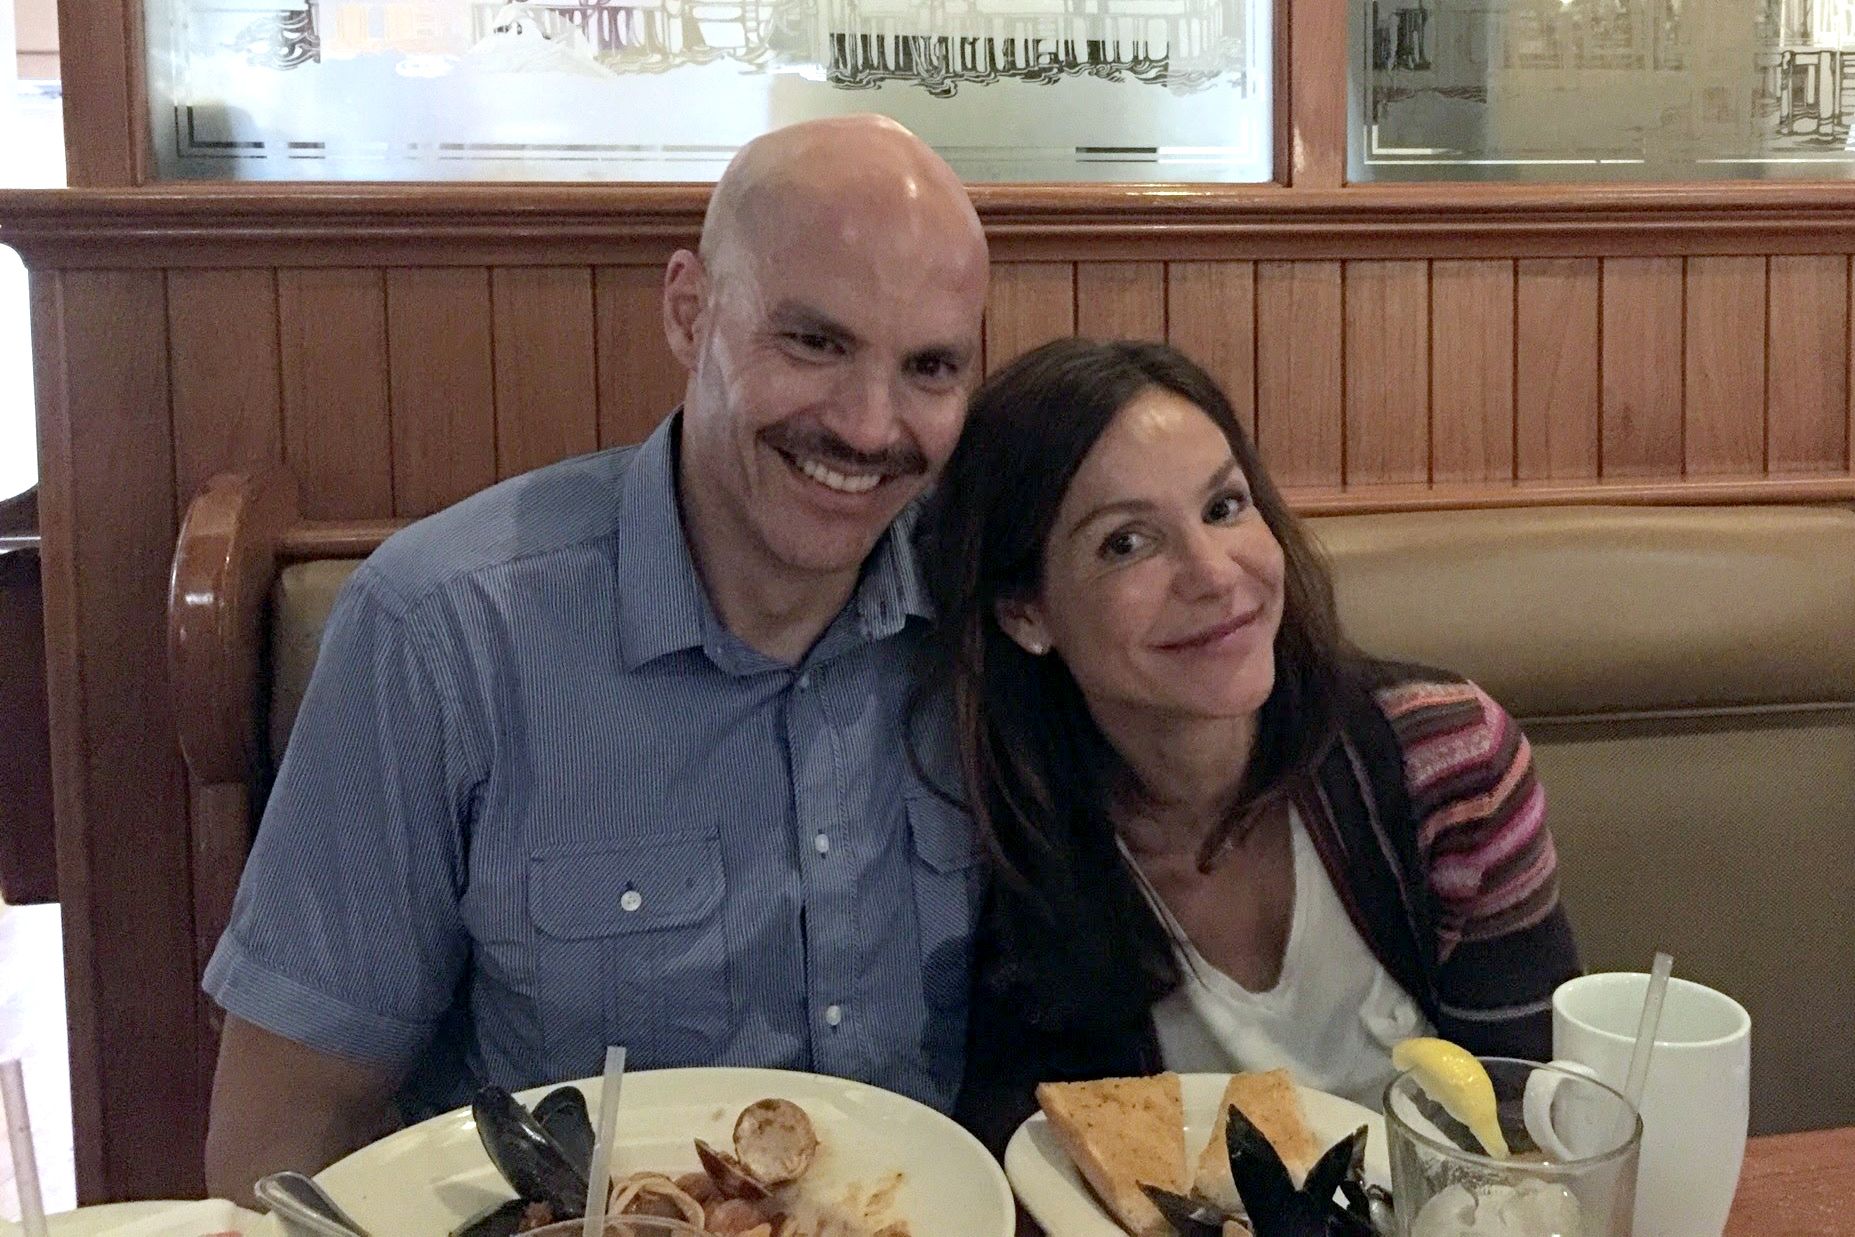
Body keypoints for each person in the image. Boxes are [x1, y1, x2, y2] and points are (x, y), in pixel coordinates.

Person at [201, 114, 991, 1199]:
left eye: (930, 367)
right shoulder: (441, 633)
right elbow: (282, 1134)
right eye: (812, 341)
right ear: (688, 311)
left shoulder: (997, 612)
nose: (867, 424)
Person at [915, 338, 1581, 1152]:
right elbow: (1036, 1182)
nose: (1213, 573)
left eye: (1224, 506)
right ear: (1025, 612)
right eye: (1126, 542)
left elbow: (1524, 1130)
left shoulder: (1447, 762)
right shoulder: (988, 849)